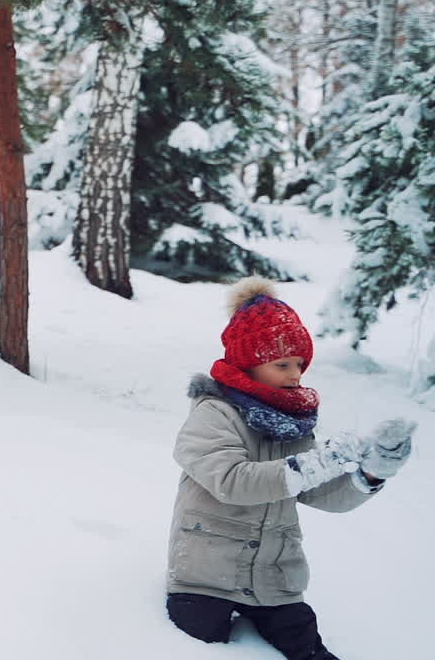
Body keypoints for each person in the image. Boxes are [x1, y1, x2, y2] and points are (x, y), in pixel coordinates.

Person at [165, 277, 416, 659]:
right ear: (248, 364)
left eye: (300, 364)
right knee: (197, 649)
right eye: (282, 364)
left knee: (311, 651)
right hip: (205, 579)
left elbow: (317, 492)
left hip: (274, 581)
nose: (296, 374)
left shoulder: (292, 422)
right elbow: (232, 482)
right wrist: (322, 460)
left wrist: (372, 472)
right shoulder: (213, 414)